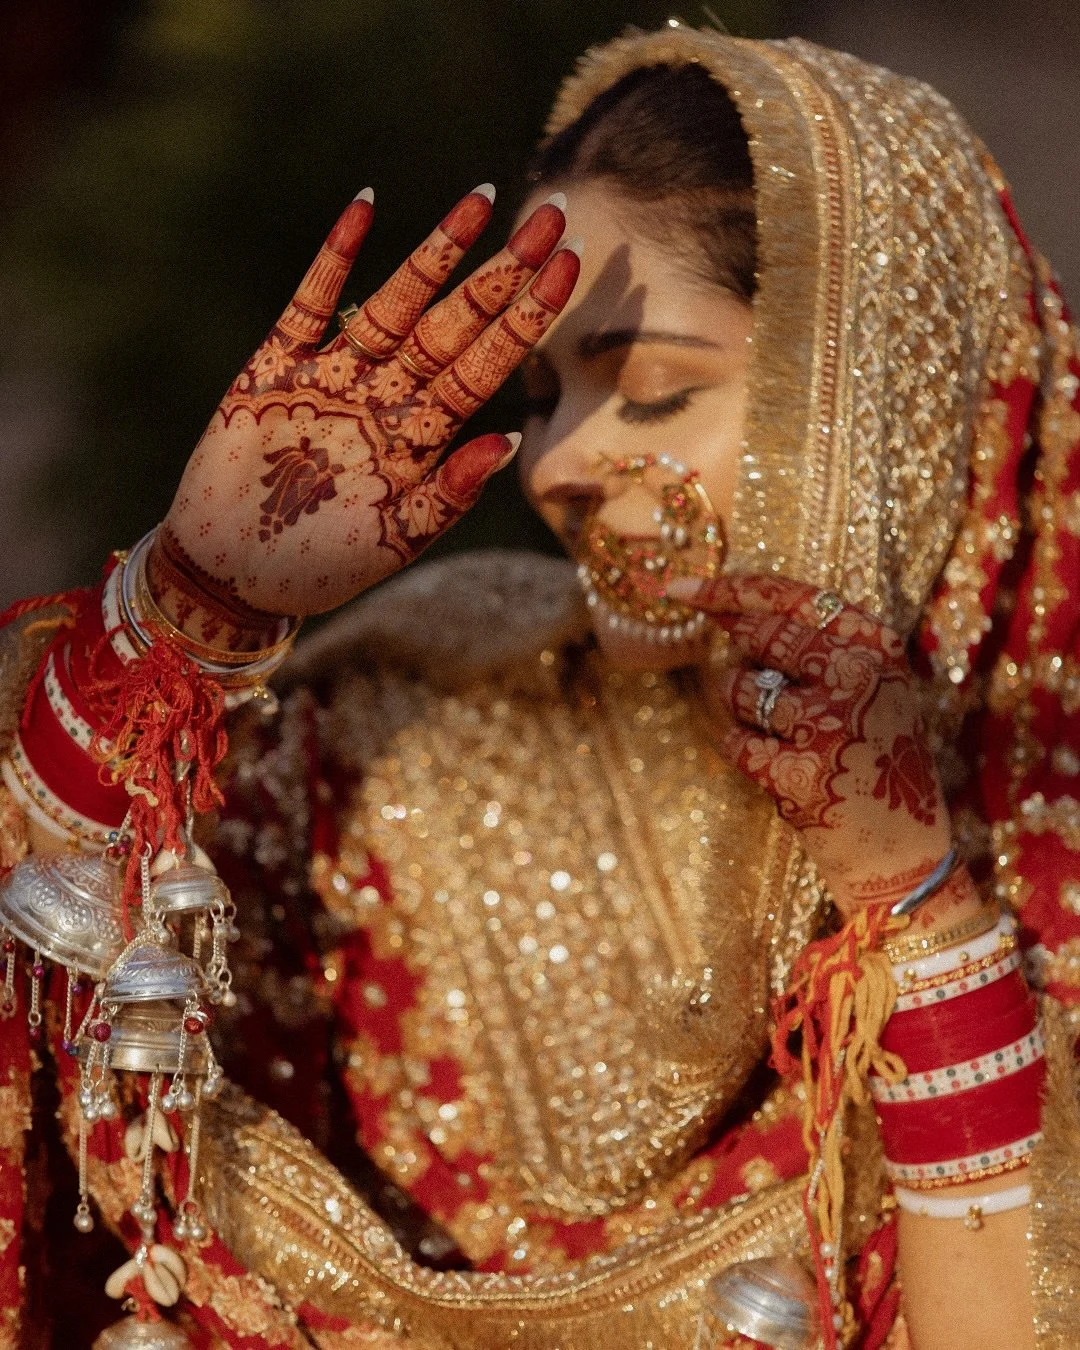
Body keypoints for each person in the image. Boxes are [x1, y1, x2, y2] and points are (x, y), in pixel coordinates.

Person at [0, 22, 1077, 1350]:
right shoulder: (405, 723)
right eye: (545, 393)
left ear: (882, 406)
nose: (557, 462)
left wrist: (916, 905)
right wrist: (185, 612)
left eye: (655, 384)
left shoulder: (1041, 842)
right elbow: (50, 1022)